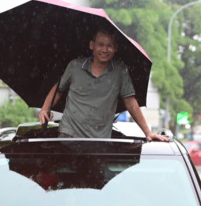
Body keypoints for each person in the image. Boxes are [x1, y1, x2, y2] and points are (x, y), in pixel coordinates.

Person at [38, 27, 167, 142]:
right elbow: (59, 89)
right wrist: (45, 109)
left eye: (109, 45)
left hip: (100, 139)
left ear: (115, 48)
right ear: (91, 45)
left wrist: (148, 132)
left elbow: (130, 101)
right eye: (100, 45)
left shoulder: (120, 70)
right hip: (69, 134)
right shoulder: (75, 66)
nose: (105, 49)